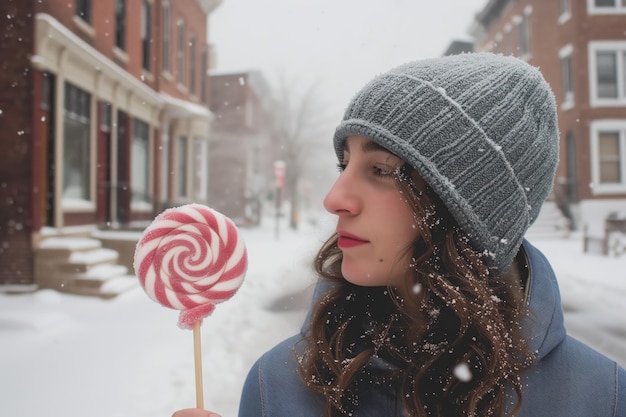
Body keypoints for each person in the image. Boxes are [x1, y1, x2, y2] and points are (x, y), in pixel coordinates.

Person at [174, 52, 626, 416]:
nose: (334, 198)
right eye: (343, 164)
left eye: (381, 170)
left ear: (465, 212)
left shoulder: (601, 397)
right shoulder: (277, 385)